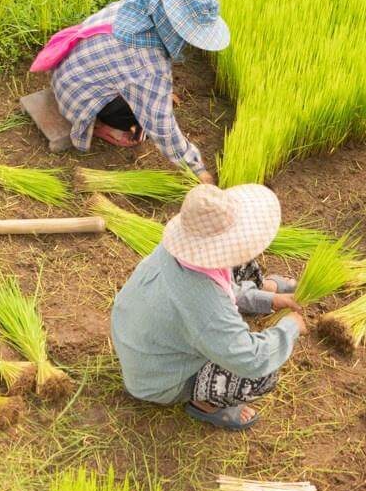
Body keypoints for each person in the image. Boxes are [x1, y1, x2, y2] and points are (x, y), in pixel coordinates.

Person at [110, 183, 306, 431]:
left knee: (240, 266)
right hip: (159, 379)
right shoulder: (206, 305)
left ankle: (264, 291)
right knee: (262, 375)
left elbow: (221, 289)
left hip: (140, 341)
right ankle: (205, 404)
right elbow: (251, 359)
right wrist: (290, 328)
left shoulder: (177, 255)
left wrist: (268, 301)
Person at [31, 0, 227, 185]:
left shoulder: (143, 3)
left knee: (149, 93)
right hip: (76, 96)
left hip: (69, 68)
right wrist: (198, 171)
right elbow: (161, 126)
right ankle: (98, 125)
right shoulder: (148, 66)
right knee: (139, 120)